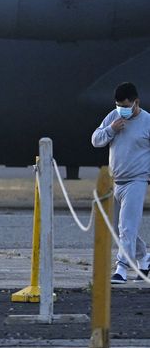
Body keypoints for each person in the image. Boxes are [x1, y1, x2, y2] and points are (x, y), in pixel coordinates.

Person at [91, 82, 150, 284]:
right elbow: (96, 140)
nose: (122, 110)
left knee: (127, 227)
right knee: (117, 228)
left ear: (136, 103)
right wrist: (111, 129)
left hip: (137, 180)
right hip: (116, 181)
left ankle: (122, 268)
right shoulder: (113, 117)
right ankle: (144, 257)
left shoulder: (147, 121)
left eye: (126, 105)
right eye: (119, 105)